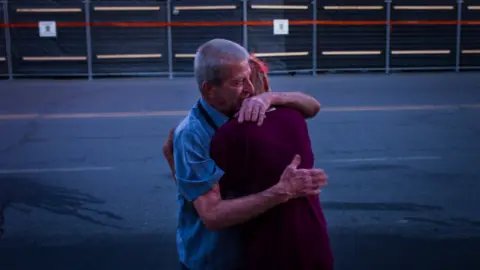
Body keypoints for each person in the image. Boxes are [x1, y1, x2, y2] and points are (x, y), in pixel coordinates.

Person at [167, 38, 328, 270]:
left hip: (250, 253)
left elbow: (312, 106)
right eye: (238, 82)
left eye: (249, 78)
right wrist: (284, 191)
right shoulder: (192, 135)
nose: (250, 90)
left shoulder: (247, 108)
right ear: (209, 89)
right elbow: (212, 215)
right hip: (213, 259)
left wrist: (271, 97)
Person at [210, 56, 334, 270]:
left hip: (267, 249)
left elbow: (213, 208)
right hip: (314, 239)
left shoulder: (228, 135)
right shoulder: (295, 117)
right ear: (265, 83)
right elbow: (312, 106)